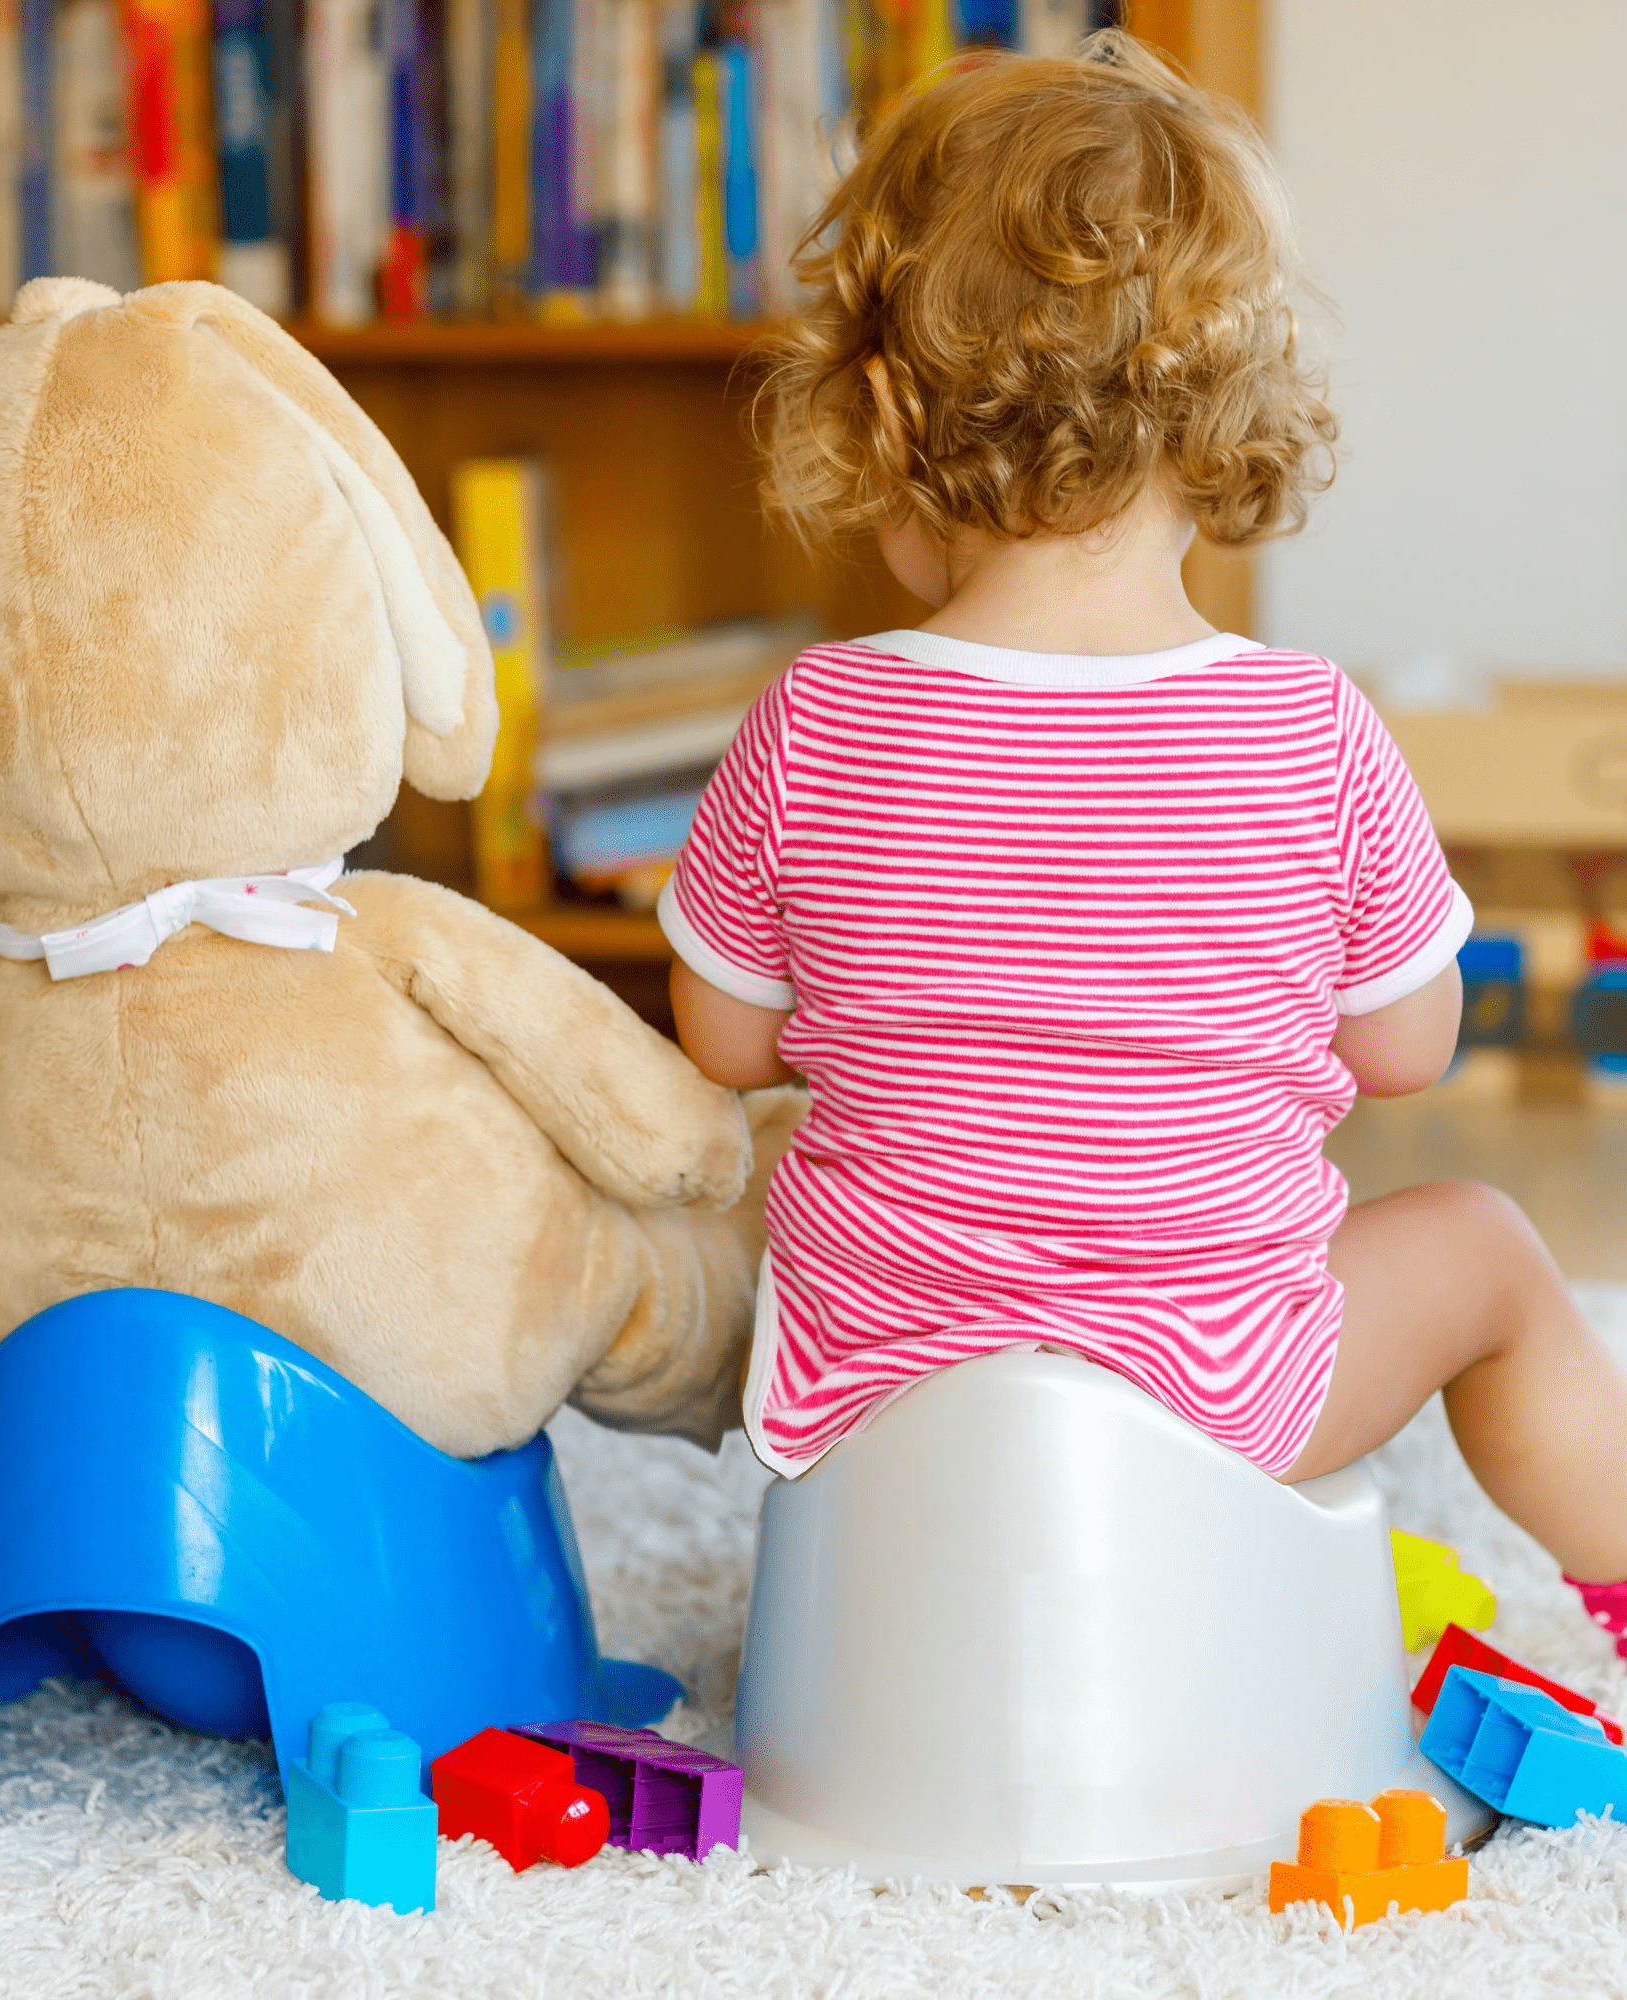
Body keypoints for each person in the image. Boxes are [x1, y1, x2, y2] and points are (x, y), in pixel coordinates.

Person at [659, 30, 1627, 1647]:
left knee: (797, 1165)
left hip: (883, 1406)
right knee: (1488, 1247)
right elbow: (1406, 1048)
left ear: (886, 424)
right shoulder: (1311, 729)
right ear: (1223, 424)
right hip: (1219, 1402)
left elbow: (725, 1033)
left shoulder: (816, 717)